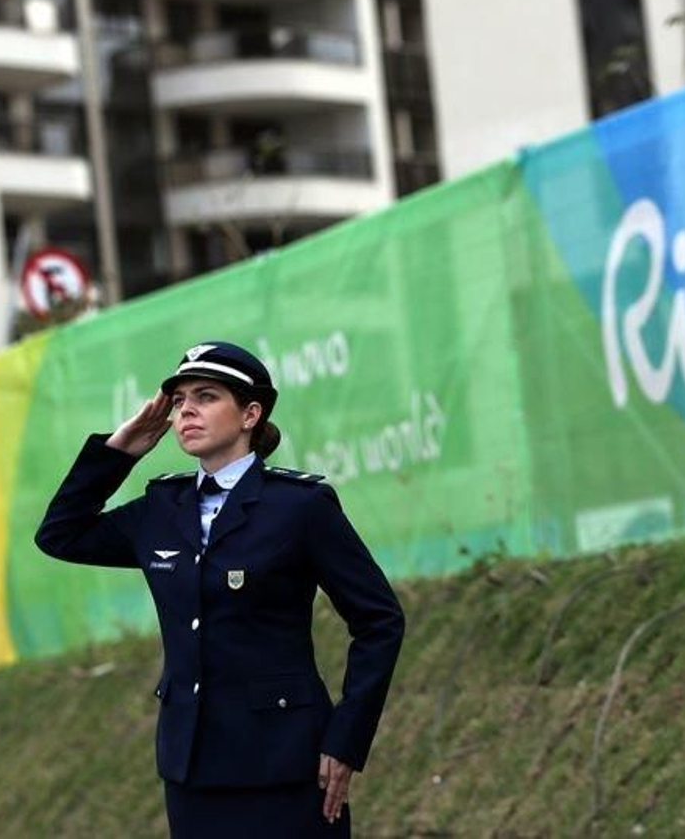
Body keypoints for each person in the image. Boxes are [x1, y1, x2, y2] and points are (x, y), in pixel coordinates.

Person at [35, 341, 406, 837]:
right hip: (193, 770)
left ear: (250, 413)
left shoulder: (299, 507)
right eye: (180, 398)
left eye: (206, 396)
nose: (186, 409)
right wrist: (118, 452)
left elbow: (379, 620)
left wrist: (347, 738)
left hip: (287, 765)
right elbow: (60, 534)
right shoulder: (161, 509)